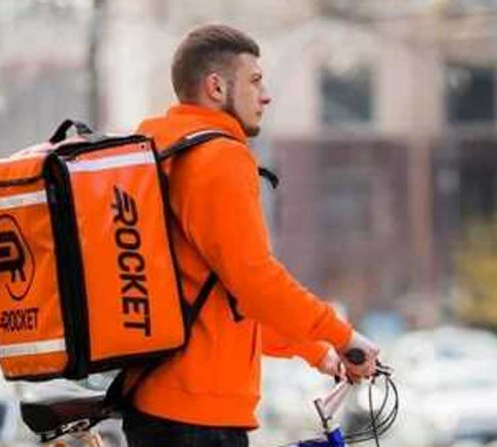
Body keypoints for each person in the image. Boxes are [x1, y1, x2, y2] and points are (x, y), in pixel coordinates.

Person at [120, 24, 380, 447]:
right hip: (197, 419)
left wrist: (318, 350)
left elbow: (226, 306)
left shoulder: (161, 150)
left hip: (159, 400)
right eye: (255, 80)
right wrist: (343, 335)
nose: (266, 95)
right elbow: (256, 281)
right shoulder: (219, 157)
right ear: (216, 87)